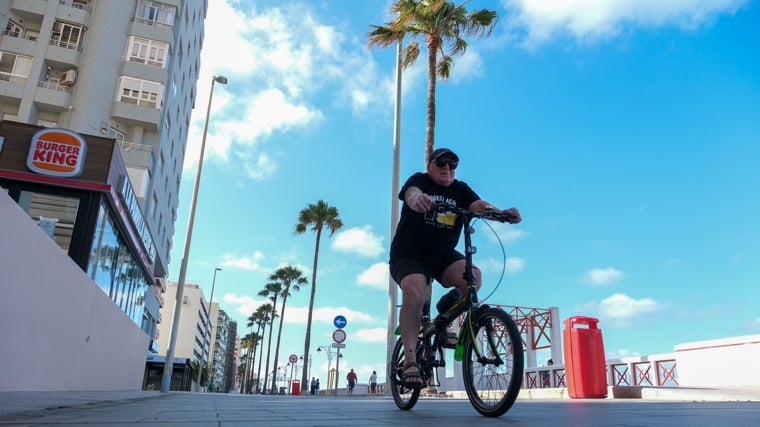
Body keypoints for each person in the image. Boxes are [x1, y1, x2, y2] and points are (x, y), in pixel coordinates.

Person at [389, 148, 522, 389]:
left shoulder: (460, 189)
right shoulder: (419, 181)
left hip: (442, 256)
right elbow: (411, 193)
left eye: (453, 165)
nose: (447, 168)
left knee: (473, 278)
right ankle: (410, 360)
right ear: (430, 165)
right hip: (409, 254)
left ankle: (443, 319)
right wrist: (416, 199)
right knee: (416, 292)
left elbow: (478, 205)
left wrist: (501, 213)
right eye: (442, 163)